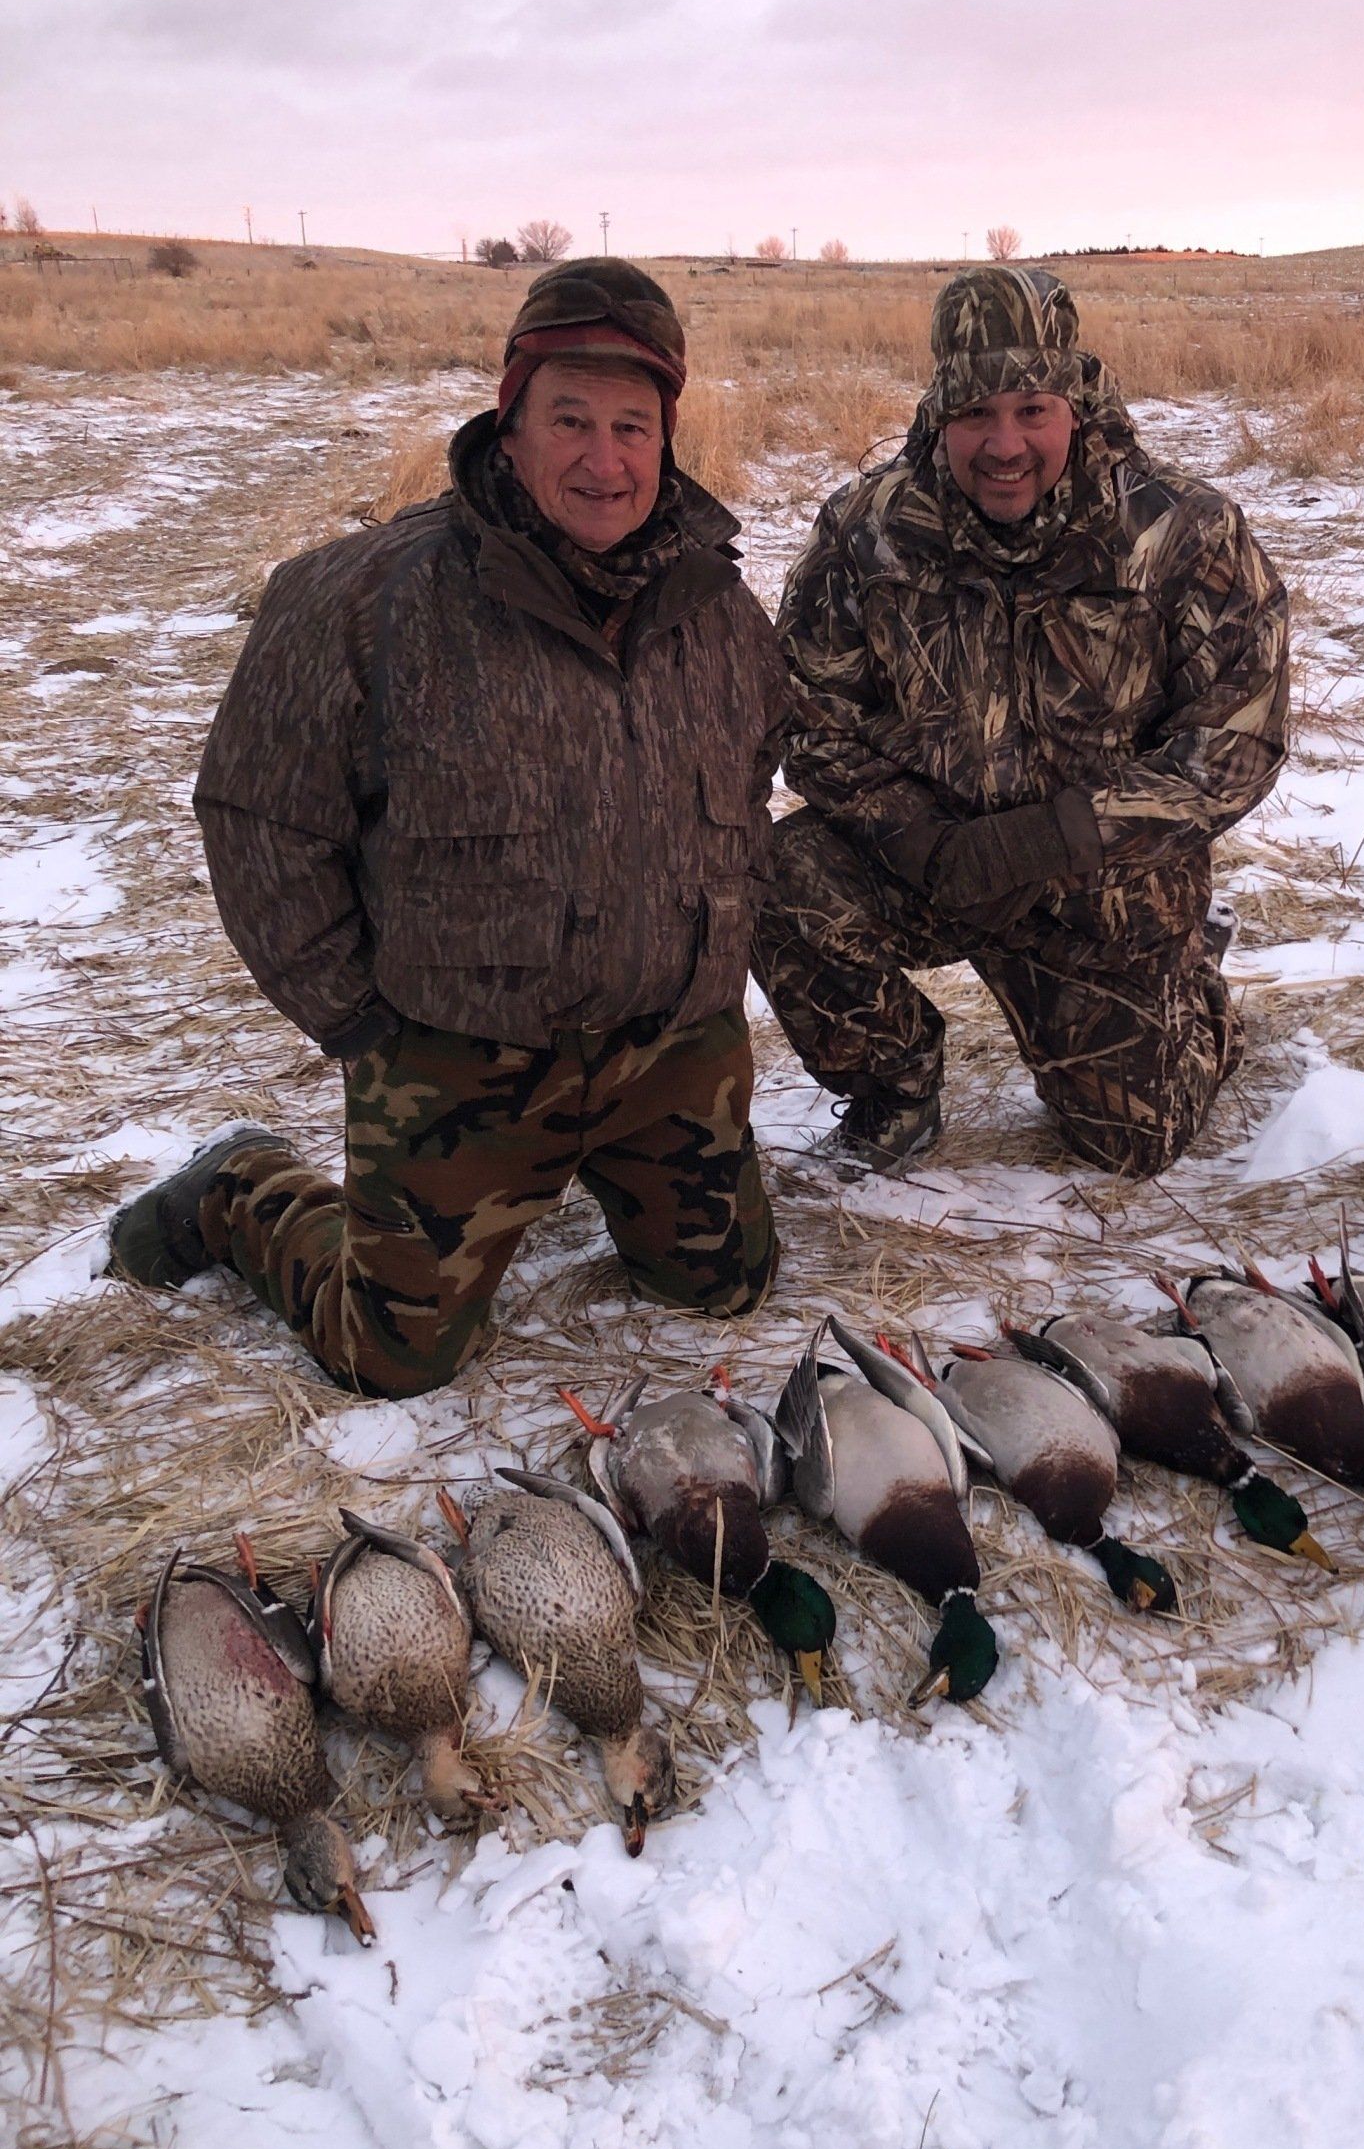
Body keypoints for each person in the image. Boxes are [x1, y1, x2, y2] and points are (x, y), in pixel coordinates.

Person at [108, 259, 781, 1395]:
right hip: (456, 1057)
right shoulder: (361, 599)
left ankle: (612, 1167)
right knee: (393, 1361)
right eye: (569, 418)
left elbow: (753, 782)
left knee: (724, 1293)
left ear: (668, 437)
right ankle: (240, 1190)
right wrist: (363, 1025)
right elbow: (258, 819)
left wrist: (702, 953)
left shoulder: (718, 609)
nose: (604, 459)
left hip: (668, 1048)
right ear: (508, 422)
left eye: (633, 424)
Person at [751, 263, 1290, 1179]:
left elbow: (1235, 744)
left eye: (1030, 410)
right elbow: (803, 712)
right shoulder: (867, 527)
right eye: (975, 416)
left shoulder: (1182, 530)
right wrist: (917, 839)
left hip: (1095, 887)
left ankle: (1191, 983)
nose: (1004, 444)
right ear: (938, 415)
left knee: (1135, 1145)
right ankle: (897, 1088)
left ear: (1075, 402)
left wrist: (1048, 840)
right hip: (925, 865)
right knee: (763, 874)